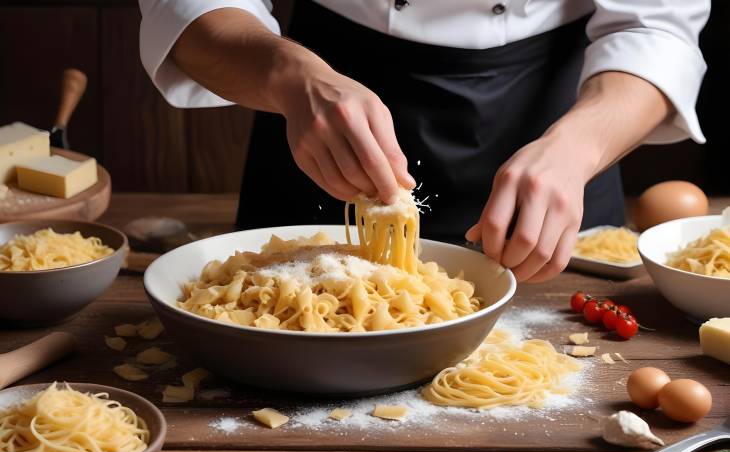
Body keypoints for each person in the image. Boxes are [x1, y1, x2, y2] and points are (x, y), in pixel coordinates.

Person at [138, 0, 709, 282]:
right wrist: (290, 78)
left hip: (557, 129)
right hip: (317, 98)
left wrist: (578, 148)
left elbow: (655, 27)